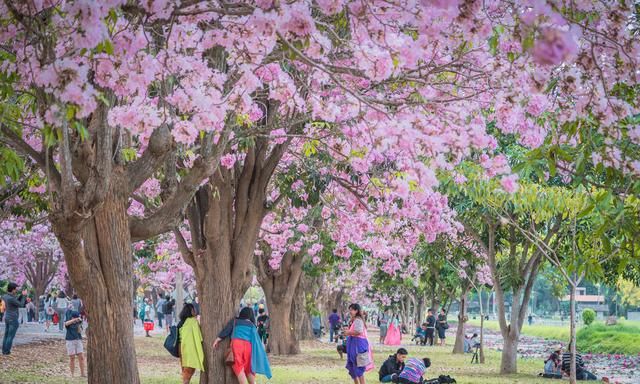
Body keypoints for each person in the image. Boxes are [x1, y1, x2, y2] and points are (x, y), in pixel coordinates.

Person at [213, 307, 272, 384]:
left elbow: (226, 331)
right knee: (249, 368)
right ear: (251, 315)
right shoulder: (252, 325)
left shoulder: (234, 322)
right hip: (248, 347)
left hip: (237, 346)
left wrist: (217, 339)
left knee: (239, 368)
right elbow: (256, 340)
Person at [344, 303, 374, 384]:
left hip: (358, 344)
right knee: (353, 366)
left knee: (358, 365)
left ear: (356, 310)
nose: (350, 311)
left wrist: (348, 332)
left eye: (352, 310)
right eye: (349, 310)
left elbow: (358, 331)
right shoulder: (353, 320)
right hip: (353, 343)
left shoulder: (358, 320)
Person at [177, 303, 204, 384]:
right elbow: (198, 335)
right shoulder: (192, 322)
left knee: (185, 369)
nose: (195, 311)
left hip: (181, 348)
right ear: (191, 311)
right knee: (189, 370)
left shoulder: (181, 322)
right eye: (193, 310)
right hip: (190, 348)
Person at [2, 283, 27, 355]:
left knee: (6, 335)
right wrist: (24, 296)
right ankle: (7, 352)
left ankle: (4, 350)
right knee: (10, 336)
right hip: (13, 318)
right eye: (16, 289)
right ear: (12, 289)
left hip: (7, 317)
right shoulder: (11, 298)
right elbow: (21, 304)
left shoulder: (5, 296)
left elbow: (15, 301)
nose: (16, 290)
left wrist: (21, 295)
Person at [64, 311, 86, 377]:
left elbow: (81, 328)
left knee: (81, 357)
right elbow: (66, 324)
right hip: (70, 341)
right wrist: (73, 320)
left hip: (78, 340)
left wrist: (79, 320)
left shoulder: (79, 322)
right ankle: (72, 374)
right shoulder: (69, 323)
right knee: (72, 358)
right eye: (76, 317)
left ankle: (82, 374)